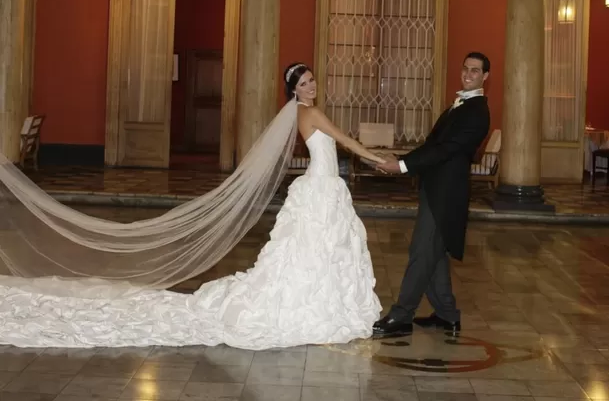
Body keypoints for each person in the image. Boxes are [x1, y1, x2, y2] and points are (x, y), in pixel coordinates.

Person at [0, 63, 386, 350]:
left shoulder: (297, 114)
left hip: (319, 187)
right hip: (321, 188)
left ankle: (313, 299)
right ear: (294, 90)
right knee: (318, 248)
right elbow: (345, 143)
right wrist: (376, 158)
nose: (311, 85)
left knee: (312, 250)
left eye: (312, 79)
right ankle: (315, 303)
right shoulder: (312, 113)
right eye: (304, 83)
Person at [372, 52, 491, 338]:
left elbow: (446, 150)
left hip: (446, 194)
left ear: (485, 76)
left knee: (422, 252)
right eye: (465, 68)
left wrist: (401, 166)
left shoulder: (477, 111)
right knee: (433, 254)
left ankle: (402, 316)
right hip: (436, 189)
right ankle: (447, 315)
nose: (468, 73)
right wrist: (402, 157)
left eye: (475, 70)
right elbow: (431, 145)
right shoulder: (460, 105)